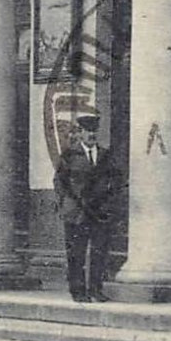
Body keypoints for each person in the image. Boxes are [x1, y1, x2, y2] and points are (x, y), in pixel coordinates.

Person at [53, 114, 121, 302]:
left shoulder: (106, 155)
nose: (91, 135)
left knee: (99, 251)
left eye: (93, 131)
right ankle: (78, 291)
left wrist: (108, 203)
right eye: (87, 131)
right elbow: (60, 182)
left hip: (99, 213)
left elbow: (116, 180)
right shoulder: (69, 155)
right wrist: (67, 205)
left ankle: (96, 290)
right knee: (76, 253)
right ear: (80, 133)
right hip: (77, 212)